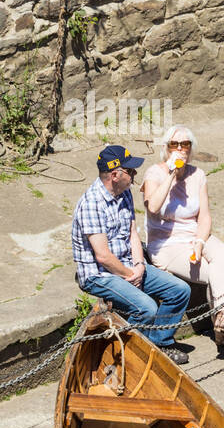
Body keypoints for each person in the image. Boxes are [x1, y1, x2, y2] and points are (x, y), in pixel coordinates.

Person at [71, 145, 191, 365]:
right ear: (115, 175)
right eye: (131, 171)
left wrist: (139, 265)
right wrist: (131, 274)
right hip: (99, 274)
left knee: (180, 290)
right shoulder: (91, 204)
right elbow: (103, 257)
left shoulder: (124, 193)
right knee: (146, 308)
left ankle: (159, 344)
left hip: (128, 265)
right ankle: (128, 357)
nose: (135, 175)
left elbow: (133, 233)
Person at [141, 125, 224, 353]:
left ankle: (223, 320)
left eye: (185, 144)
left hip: (193, 235)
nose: (180, 149)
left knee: (222, 252)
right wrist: (171, 174)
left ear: (191, 148)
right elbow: (153, 207)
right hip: (166, 244)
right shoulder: (154, 173)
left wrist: (200, 242)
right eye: (174, 144)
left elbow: (205, 215)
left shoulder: (197, 175)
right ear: (166, 148)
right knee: (215, 275)